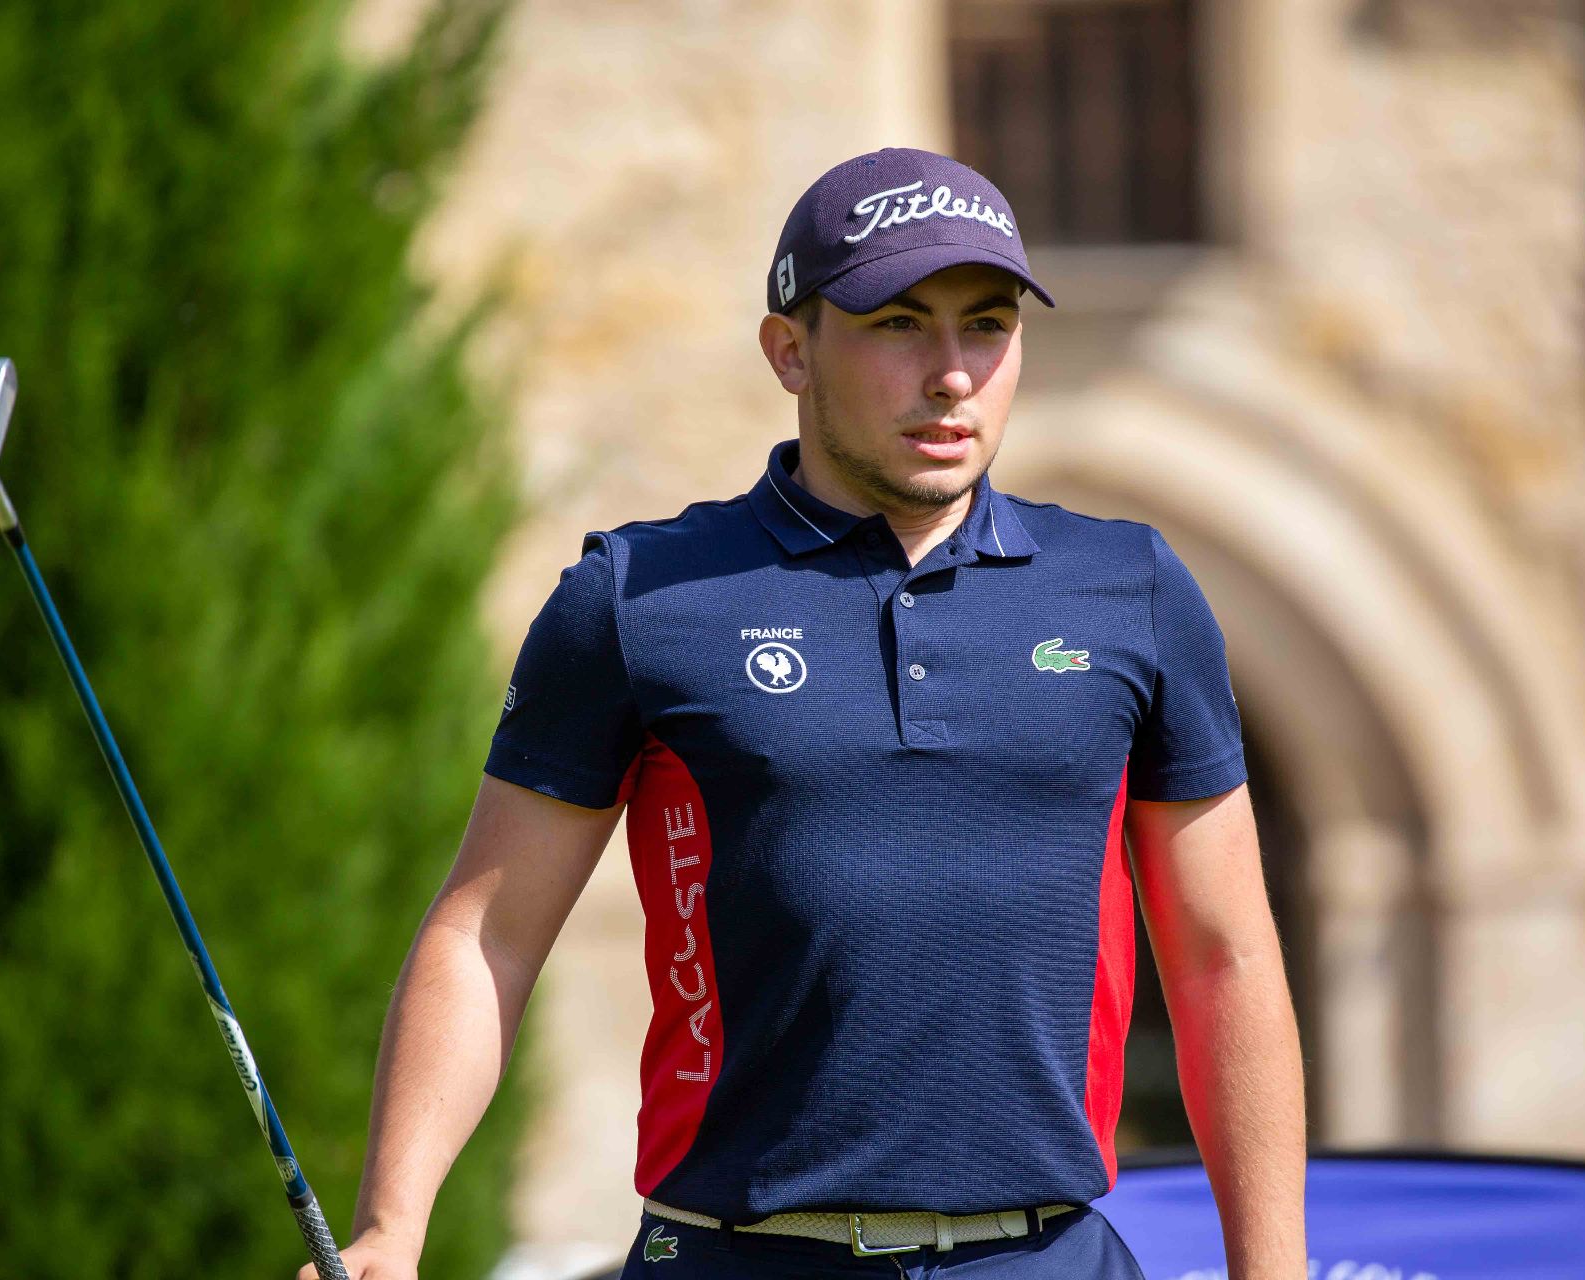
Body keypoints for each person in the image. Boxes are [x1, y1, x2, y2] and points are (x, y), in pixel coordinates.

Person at [303, 148, 1307, 1280]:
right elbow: (488, 934)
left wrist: (1270, 1269)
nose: (952, 374)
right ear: (790, 349)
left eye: (987, 326)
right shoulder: (639, 596)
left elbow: (1224, 954)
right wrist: (393, 1223)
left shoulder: (1133, 586)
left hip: (1052, 1255)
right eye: (898, 325)